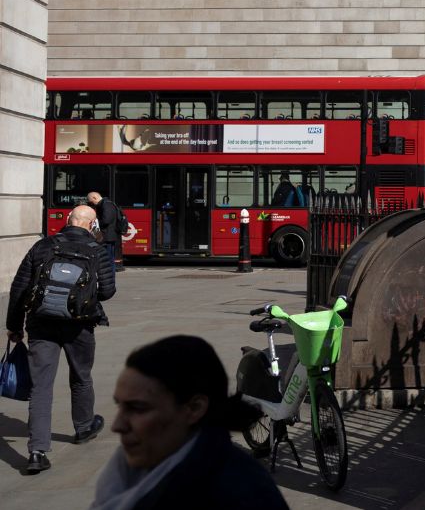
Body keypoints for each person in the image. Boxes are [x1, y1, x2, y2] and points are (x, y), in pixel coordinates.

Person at [90, 336, 288, 509]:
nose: (117, 425)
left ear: (194, 408)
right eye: (120, 406)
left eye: (138, 408)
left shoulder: (242, 495)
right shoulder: (131, 469)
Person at [6, 204, 115, 474]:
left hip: (41, 323)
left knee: (40, 386)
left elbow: (20, 287)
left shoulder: (42, 246)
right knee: (81, 376)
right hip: (79, 325)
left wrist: (14, 326)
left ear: (68, 220)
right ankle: (84, 427)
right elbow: (108, 290)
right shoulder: (97, 251)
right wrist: (82, 296)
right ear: (92, 226)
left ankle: (37, 451)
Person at [87, 191, 124, 272]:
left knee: (108, 261)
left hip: (108, 238)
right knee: (108, 260)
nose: (91, 204)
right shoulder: (105, 204)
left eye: (91, 201)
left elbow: (106, 220)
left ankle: (110, 279)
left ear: (94, 198)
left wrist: (95, 222)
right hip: (107, 237)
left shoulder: (106, 204)